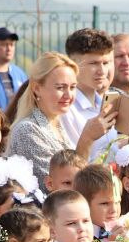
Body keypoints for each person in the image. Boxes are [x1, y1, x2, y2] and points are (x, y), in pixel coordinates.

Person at [5, 52, 78, 184]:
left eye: (73, 87)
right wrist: (87, 141)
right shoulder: (27, 130)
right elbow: (58, 186)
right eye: (60, 87)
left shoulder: (57, 124)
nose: (68, 95)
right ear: (37, 89)